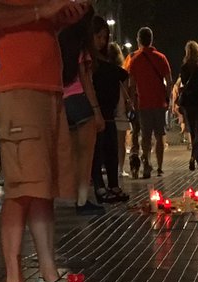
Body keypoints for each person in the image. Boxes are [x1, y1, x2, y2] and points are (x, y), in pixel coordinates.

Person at [0, 0, 90, 282]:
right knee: (22, 184)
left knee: (41, 184)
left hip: (47, 83)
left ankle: (49, 276)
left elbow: (40, 22)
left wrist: (61, 18)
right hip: (15, 83)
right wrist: (40, 13)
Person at [59, 6, 103, 214]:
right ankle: (82, 200)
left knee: (73, 153)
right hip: (80, 102)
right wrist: (96, 110)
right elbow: (86, 80)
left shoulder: (61, 42)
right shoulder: (82, 47)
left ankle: (74, 197)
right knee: (86, 155)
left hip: (63, 102)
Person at [91, 17, 128, 201]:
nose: (102, 41)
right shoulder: (89, 60)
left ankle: (113, 184)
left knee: (111, 148)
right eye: (98, 37)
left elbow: (122, 75)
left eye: (105, 37)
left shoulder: (106, 60)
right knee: (98, 150)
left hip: (109, 112)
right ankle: (99, 186)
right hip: (96, 110)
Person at [126, 25, 170, 179]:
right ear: (151, 40)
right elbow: (169, 81)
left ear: (139, 40)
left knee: (145, 136)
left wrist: (132, 101)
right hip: (159, 103)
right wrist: (168, 97)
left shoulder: (135, 59)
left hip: (143, 103)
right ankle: (160, 167)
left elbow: (131, 84)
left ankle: (147, 165)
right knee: (159, 135)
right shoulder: (161, 57)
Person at [177, 40, 198, 171]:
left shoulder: (184, 67)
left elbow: (184, 82)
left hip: (188, 103)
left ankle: (197, 159)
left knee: (192, 131)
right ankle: (193, 157)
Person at [109, 42, 131, 179]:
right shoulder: (122, 73)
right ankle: (120, 168)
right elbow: (126, 90)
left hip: (107, 108)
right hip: (120, 107)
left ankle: (109, 166)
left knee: (108, 141)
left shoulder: (100, 69)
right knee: (120, 141)